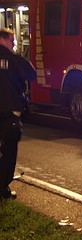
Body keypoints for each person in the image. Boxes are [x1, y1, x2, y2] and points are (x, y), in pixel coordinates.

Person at [0, 28, 36, 201]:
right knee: (8, 151)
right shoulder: (12, 59)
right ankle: (2, 188)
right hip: (8, 112)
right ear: (3, 40)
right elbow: (31, 74)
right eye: (11, 41)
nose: (13, 44)